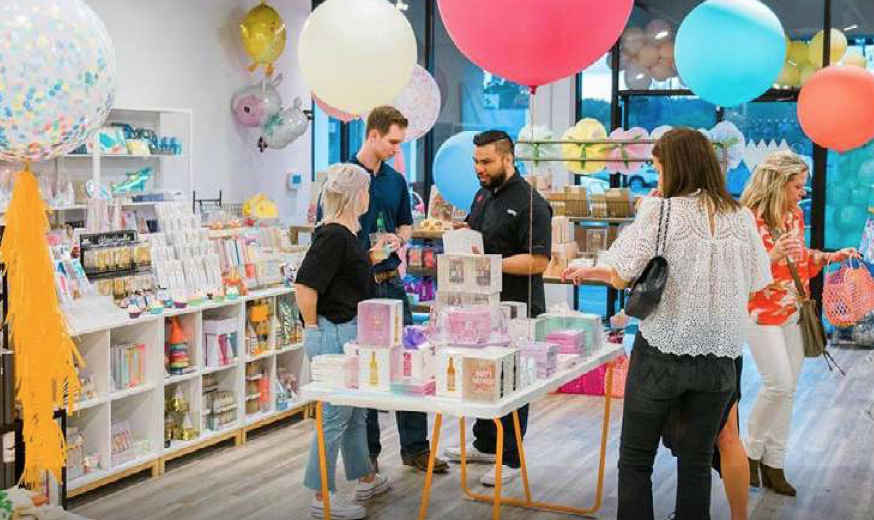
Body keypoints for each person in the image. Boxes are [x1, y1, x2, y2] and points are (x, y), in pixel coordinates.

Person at [563, 128, 772, 520]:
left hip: (662, 353)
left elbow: (621, 273)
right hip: (720, 361)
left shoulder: (660, 210)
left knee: (637, 459)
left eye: (658, 168)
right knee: (695, 461)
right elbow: (758, 280)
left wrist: (587, 268)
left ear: (675, 168)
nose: (657, 176)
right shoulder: (742, 217)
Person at [318, 105, 448, 474]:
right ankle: (370, 455)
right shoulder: (340, 178)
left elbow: (408, 225)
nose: (396, 149)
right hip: (360, 290)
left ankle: (416, 447)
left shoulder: (394, 181)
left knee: (412, 363)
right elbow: (325, 230)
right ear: (372, 134)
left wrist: (397, 239)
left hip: (393, 283)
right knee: (368, 370)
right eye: (392, 141)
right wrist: (363, 258)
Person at [740, 151, 857, 496]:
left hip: (793, 308)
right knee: (777, 383)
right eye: (796, 186)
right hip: (760, 311)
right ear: (777, 184)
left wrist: (827, 257)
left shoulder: (794, 214)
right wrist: (770, 256)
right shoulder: (747, 219)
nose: (801, 193)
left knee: (788, 389)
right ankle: (749, 452)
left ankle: (774, 463)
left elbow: (800, 260)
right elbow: (741, 271)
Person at [441, 130, 552, 487]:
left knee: (513, 382)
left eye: (486, 162)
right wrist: (464, 233)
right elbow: (481, 236)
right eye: (475, 161)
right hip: (482, 304)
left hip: (519, 306)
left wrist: (492, 263)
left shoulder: (531, 202)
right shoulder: (482, 194)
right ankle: (486, 444)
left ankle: (511, 458)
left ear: (508, 159)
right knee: (484, 375)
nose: (479, 169)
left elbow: (538, 260)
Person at [296, 163, 390, 520]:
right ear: (356, 195)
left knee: (353, 412)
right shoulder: (333, 234)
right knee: (335, 415)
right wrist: (312, 329)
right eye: (366, 190)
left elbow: (347, 275)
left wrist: (376, 256)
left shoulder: (347, 234)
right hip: (333, 332)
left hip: (349, 330)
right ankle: (322, 495)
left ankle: (364, 474)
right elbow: (305, 285)